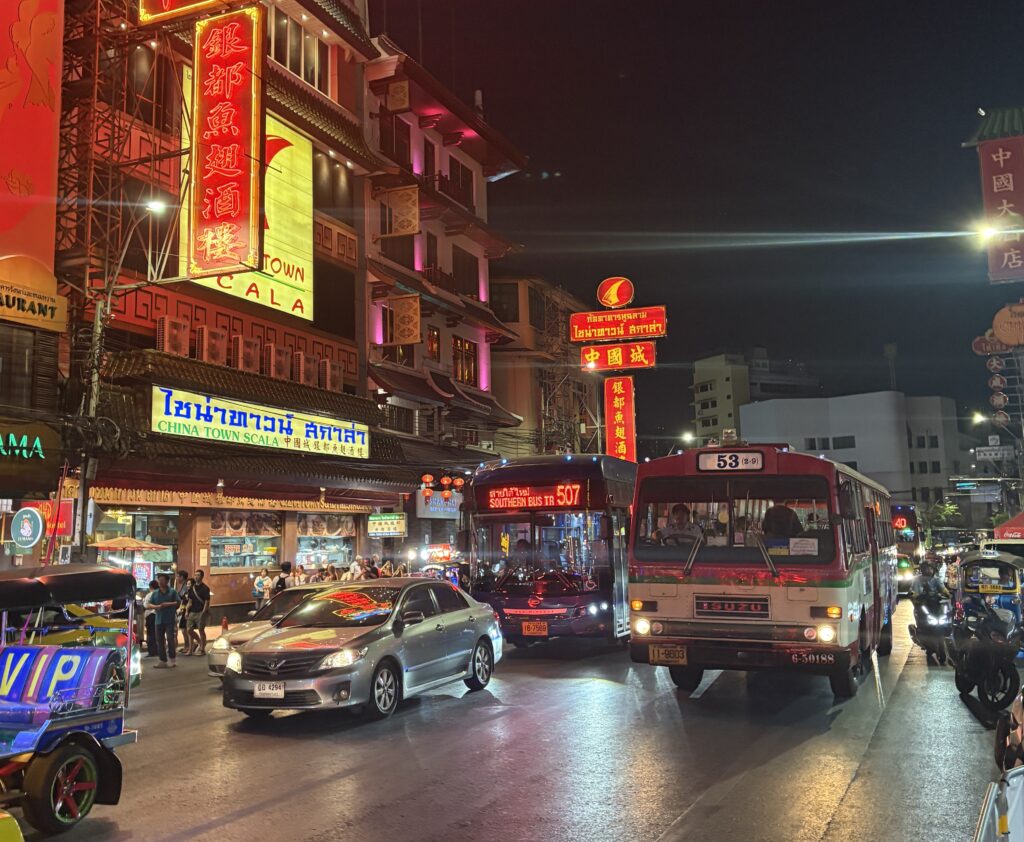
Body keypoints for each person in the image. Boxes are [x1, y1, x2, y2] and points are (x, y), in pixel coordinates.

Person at [150, 573, 181, 668]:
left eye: (162, 580)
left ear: (167, 581)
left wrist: (167, 604)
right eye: (159, 580)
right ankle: (162, 660)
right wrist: (157, 606)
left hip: (170, 620)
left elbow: (178, 603)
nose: (160, 582)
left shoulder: (172, 592)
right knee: (159, 640)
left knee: (170, 639)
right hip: (158, 620)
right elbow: (149, 605)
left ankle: (172, 659)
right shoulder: (155, 593)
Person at [186, 569, 212, 656]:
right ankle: (199, 642)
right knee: (189, 630)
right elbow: (190, 601)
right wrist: (187, 611)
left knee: (201, 630)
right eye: (195, 575)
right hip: (192, 612)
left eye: (198, 575)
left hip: (200, 612)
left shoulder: (205, 588)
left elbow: (206, 602)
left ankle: (202, 649)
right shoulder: (192, 588)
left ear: (202, 576)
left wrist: (203, 613)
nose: (196, 577)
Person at [175, 570, 191, 653]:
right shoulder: (182, 586)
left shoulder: (186, 586)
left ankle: (189, 645)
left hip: (185, 609)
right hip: (182, 609)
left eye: (178, 576)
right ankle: (187, 645)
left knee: (185, 629)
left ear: (181, 577)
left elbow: (185, 599)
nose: (177, 578)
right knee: (183, 628)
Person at [142, 579, 159, 658]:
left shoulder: (149, 595)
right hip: (160, 615)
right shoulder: (161, 594)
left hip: (151, 616)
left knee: (150, 634)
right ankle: (159, 651)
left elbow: (145, 605)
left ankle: (152, 651)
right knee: (159, 633)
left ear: (150, 587)